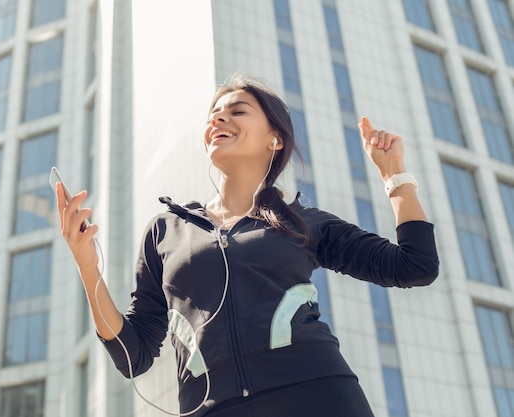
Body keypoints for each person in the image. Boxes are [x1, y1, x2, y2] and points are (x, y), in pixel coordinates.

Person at [55, 73, 439, 417]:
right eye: (214, 114)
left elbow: (415, 266)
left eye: (237, 111)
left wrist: (395, 176)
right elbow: (131, 355)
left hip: (316, 396)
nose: (217, 119)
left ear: (275, 139)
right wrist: (88, 267)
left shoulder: (302, 222)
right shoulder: (166, 231)